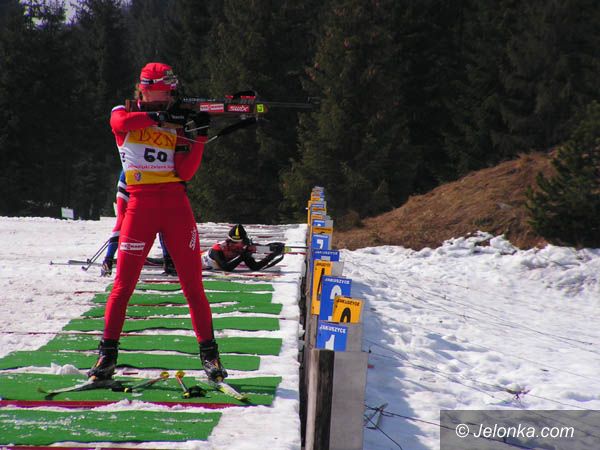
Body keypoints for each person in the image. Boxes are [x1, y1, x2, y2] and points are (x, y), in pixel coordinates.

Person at [88, 62, 226, 383]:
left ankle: (210, 355)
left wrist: (199, 135)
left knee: (193, 286)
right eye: (163, 90)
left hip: (176, 206)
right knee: (123, 285)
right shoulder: (124, 112)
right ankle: (106, 355)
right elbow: (119, 122)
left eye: (170, 90)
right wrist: (159, 117)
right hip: (140, 207)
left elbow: (185, 171)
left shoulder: (177, 121)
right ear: (145, 89)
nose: (168, 95)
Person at [101, 171, 176, 277]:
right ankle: (108, 261)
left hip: (152, 181)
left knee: (162, 218)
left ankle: (169, 262)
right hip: (130, 178)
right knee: (122, 220)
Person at [202, 224, 285, 271]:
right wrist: (242, 257)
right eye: (235, 242)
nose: (242, 245)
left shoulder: (244, 248)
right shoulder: (218, 249)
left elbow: (254, 266)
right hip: (201, 262)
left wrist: (272, 254)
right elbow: (226, 268)